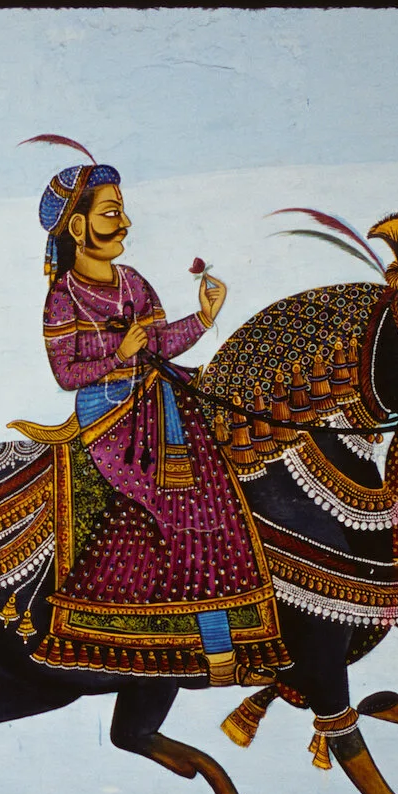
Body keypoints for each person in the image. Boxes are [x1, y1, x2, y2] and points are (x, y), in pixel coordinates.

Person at [36, 156, 268, 682]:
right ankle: (216, 650)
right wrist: (120, 355)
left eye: (122, 211)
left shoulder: (132, 281)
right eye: (112, 213)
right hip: (107, 417)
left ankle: (238, 628)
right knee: (186, 504)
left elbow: (160, 345)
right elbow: (67, 375)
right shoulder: (62, 298)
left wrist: (204, 317)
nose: (125, 223)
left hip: (159, 400)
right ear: (78, 227)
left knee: (220, 487)